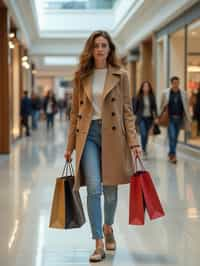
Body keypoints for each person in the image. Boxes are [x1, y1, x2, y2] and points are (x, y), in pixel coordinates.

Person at [64, 30, 141, 263]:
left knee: (110, 191)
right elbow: (74, 114)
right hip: (87, 135)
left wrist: (134, 142)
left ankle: (108, 227)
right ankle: (98, 242)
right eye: (96, 45)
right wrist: (69, 146)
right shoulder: (81, 76)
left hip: (113, 136)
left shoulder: (121, 75)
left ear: (109, 49)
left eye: (104, 45)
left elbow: (127, 111)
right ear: (91, 49)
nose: (100, 49)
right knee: (94, 188)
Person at [160, 76, 191, 164]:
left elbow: (186, 106)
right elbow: (162, 105)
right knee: (172, 136)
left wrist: (188, 118)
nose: (176, 84)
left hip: (179, 118)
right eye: (174, 83)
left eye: (177, 83)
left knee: (175, 138)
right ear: (171, 83)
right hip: (170, 119)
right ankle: (173, 155)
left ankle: (170, 153)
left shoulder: (183, 93)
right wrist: (160, 115)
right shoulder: (166, 93)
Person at [135, 81, 158, 158]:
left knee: (147, 135)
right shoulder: (139, 96)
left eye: (147, 86)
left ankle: (144, 148)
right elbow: (135, 108)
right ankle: (144, 150)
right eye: (144, 86)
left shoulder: (152, 97)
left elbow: (154, 108)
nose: (146, 88)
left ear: (149, 88)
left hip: (149, 118)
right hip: (141, 118)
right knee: (143, 133)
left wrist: (156, 118)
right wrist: (134, 117)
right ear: (142, 87)